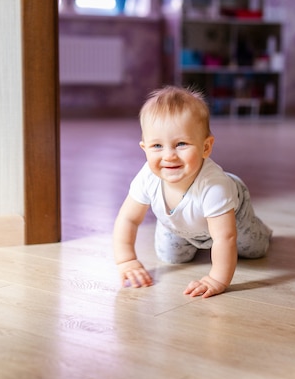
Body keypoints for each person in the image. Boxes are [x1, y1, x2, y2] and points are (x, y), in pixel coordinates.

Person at [113, 86, 272, 298]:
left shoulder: (215, 187)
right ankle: (182, 228)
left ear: (206, 147)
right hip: (182, 225)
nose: (169, 155)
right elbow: (128, 219)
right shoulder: (147, 177)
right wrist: (126, 260)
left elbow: (225, 238)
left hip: (233, 214)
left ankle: (261, 229)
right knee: (171, 257)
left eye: (180, 144)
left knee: (254, 251)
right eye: (157, 146)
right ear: (144, 148)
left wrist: (217, 279)